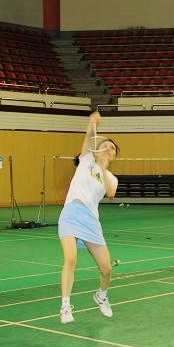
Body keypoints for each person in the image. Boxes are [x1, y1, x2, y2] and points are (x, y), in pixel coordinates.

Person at [58, 111, 119, 324]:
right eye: (106, 145)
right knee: (70, 259)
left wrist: (103, 167)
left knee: (106, 268)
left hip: (91, 220)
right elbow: (88, 137)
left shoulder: (111, 178)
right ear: (97, 149)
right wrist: (92, 122)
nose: (109, 148)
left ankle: (101, 295)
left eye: (112, 148)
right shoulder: (85, 161)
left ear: (114, 156)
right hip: (71, 213)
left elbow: (110, 193)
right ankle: (65, 306)